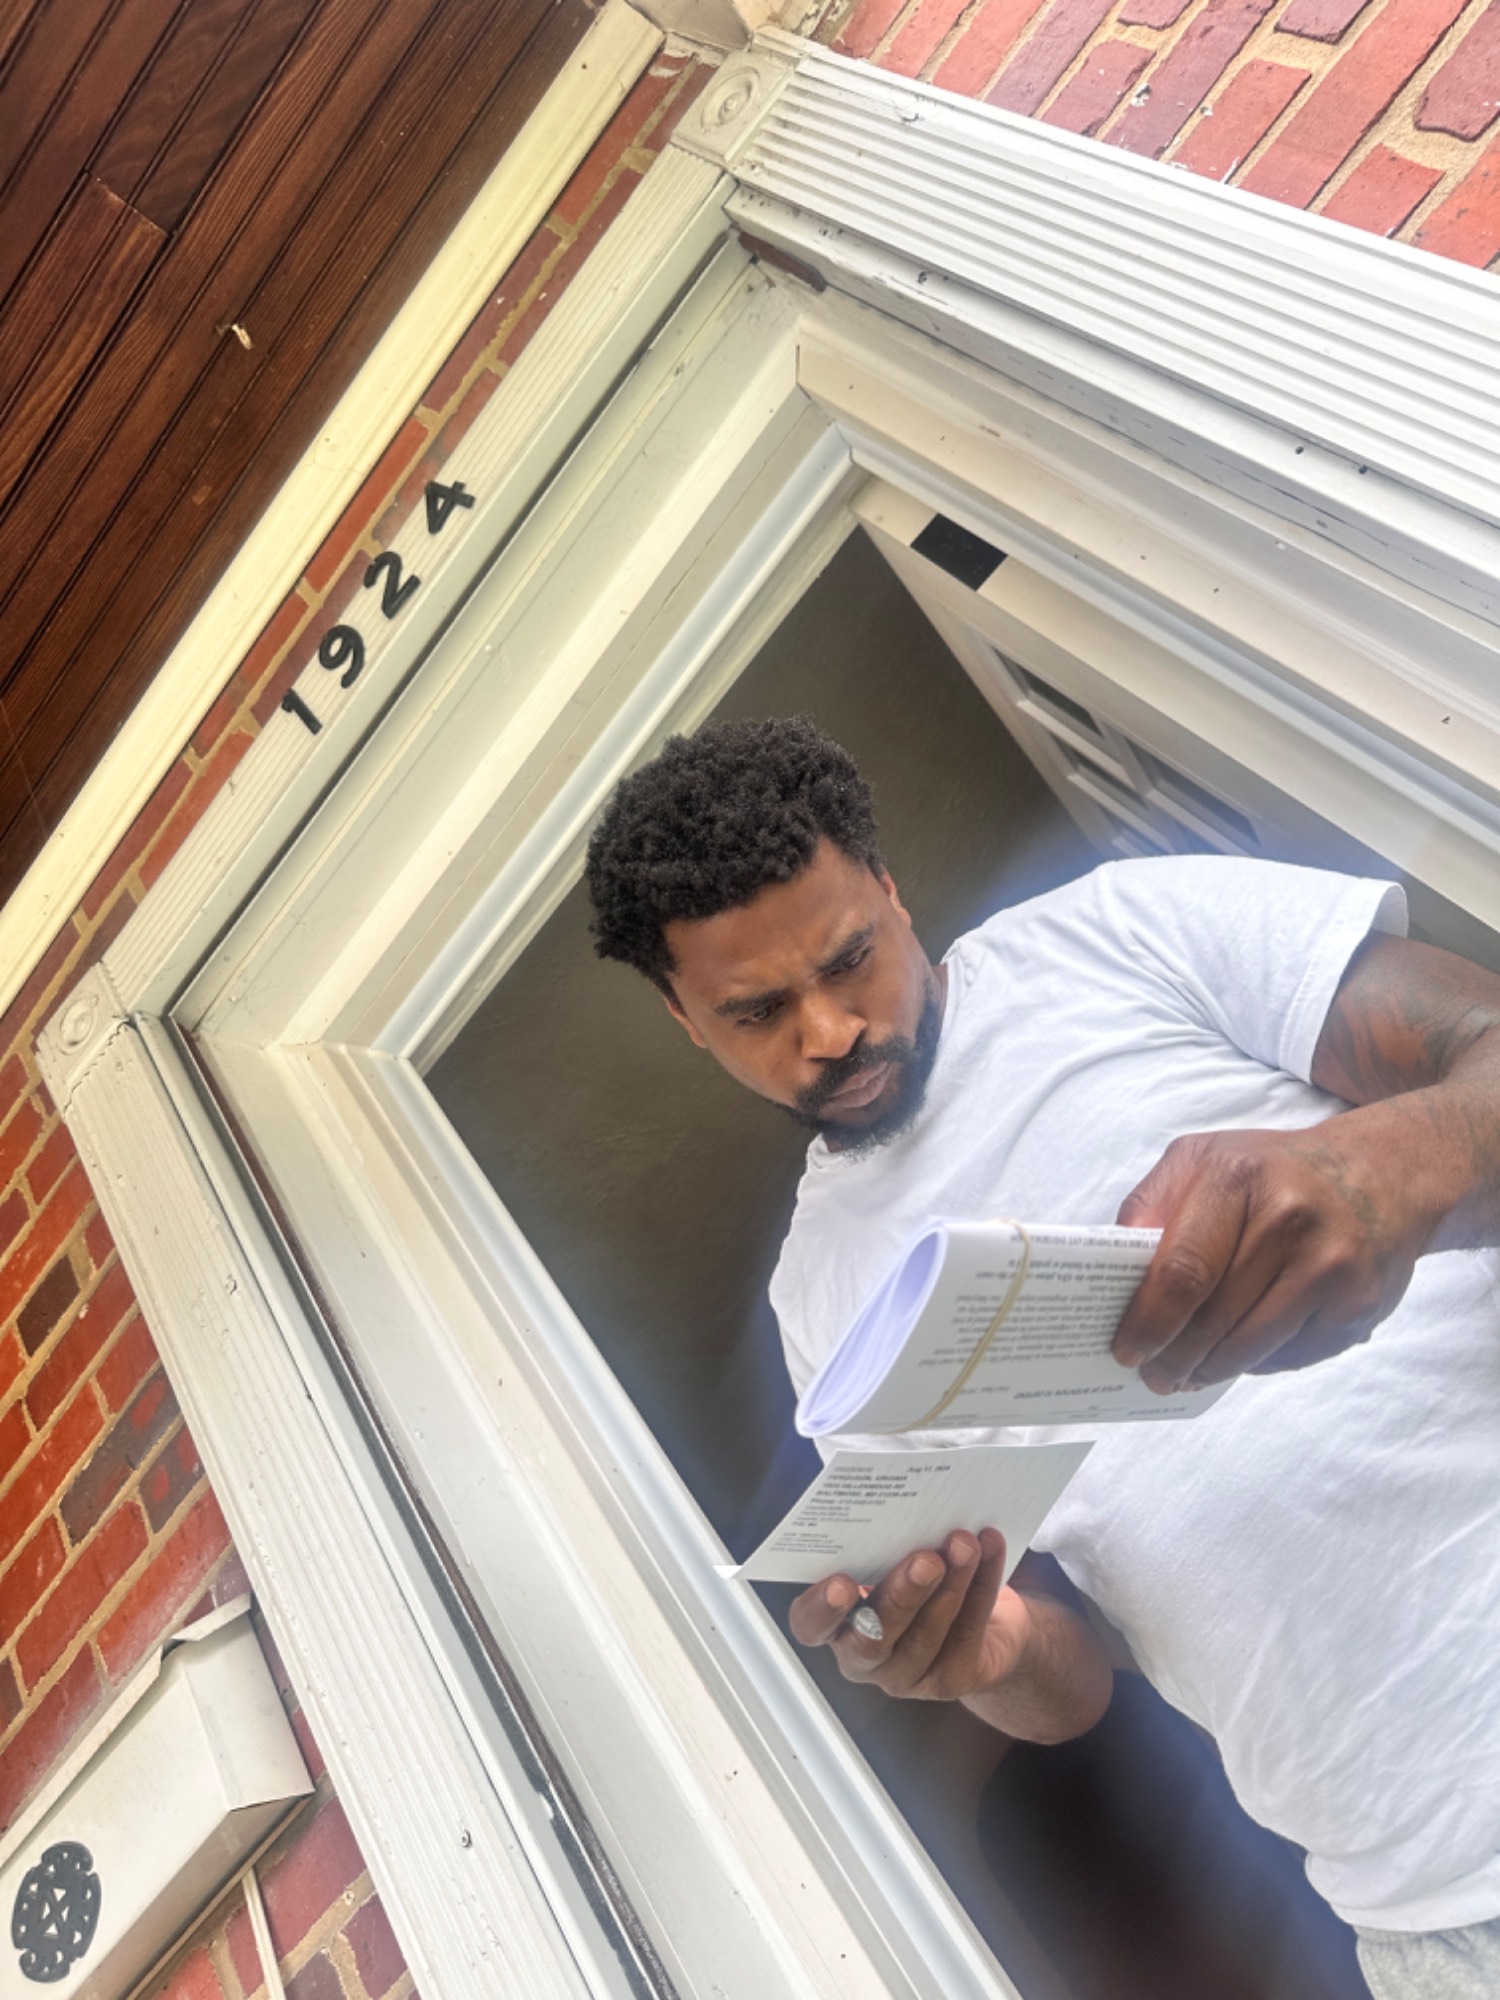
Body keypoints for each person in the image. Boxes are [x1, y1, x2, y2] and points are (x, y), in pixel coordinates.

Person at [584, 715, 1500, 2000]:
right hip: (1427, 1907)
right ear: (685, 1016)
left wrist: (1393, 1166)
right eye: (757, 1011)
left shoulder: (1117, 932)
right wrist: (990, 1656)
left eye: (849, 958)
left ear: (890, 888)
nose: (830, 1028)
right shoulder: (824, 1304)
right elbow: (1077, 1667)